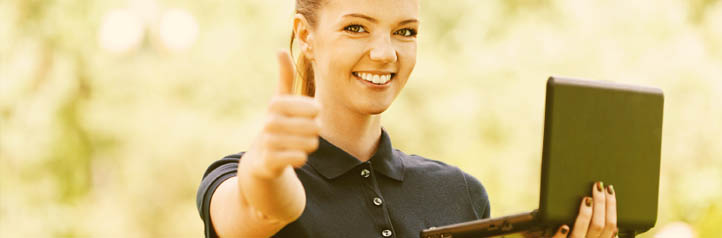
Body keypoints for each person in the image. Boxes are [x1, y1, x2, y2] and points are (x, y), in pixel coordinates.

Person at [196, 0, 619, 237]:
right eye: (357, 28)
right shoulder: (232, 177)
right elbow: (264, 209)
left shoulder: (461, 194)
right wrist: (266, 170)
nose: (385, 52)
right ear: (306, 35)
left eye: (405, 31)